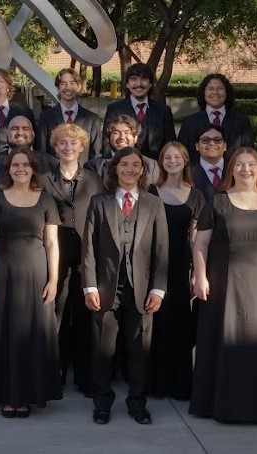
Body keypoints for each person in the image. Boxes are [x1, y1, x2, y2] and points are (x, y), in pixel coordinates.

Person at [189, 148, 257, 424]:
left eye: (251, 165)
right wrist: (200, 276)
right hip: (224, 288)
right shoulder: (218, 201)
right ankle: (222, 405)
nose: (245, 169)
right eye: (239, 165)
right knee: (224, 343)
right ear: (231, 170)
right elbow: (201, 243)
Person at [81, 147, 169, 425]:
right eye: (124, 164)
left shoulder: (154, 204)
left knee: (138, 352)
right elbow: (89, 248)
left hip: (142, 290)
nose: (130, 169)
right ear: (115, 169)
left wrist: (158, 289)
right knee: (102, 351)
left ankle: (137, 404)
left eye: (136, 165)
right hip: (106, 289)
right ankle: (102, 403)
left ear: (142, 171)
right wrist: (89, 287)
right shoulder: (99, 202)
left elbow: (161, 249)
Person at [0, 148, 62, 418]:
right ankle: (7, 396)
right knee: (4, 333)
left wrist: (54, 279)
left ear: (33, 169)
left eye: (25, 164)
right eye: (15, 165)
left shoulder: (46, 199)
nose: (20, 169)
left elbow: (51, 243)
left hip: (36, 275)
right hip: (2, 273)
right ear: (8, 169)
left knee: (32, 334)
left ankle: (26, 396)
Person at [41, 124, 105, 396]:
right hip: (54, 250)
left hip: (86, 250)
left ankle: (84, 375)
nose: (68, 147)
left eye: (73, 143)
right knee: (55, 311)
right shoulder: (43, 179)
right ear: (55, 148)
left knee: (84, 313)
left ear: (82, 147)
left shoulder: (94, 179)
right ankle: (53, 372)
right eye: (62, 143)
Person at [147, 142, 206, 401]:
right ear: (161, 162)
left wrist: (197, 272)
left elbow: (197, 238)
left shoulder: (196, 195)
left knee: (180, 325)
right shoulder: (150, 191)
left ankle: (180, 383)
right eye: (167, 157)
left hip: (182, 266)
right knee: (156, 323)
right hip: (153, 264)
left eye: (177, 157)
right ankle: (156, 383)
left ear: (185, 161)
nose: (172, 161)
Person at [104, 63, 174, 160]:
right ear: (127, 84)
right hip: (122, 166)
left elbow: (170, 144)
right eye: (133, 79)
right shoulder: (114, 109)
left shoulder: (163, 111)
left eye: (144, 79)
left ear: (150, 84)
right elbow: (107, 142)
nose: (138, 84)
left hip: (155, 168)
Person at [176, 74, 253, 162]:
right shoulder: (189, 122)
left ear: (227, 92)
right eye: (210, 89)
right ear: (203, 92)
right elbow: (182, 155)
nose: (215, 92)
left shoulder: (241, 121)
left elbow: (248, 154)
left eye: (220, 88)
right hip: (197, 174)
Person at [38, 68, 104, 160]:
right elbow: (41, 153)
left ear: (79, 87)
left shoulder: (92, 120)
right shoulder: (46, 117)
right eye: (63, 84)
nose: (68, 87)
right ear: (58, 88)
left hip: (84, 172)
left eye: (72, 83)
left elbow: (95, 155)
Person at [84, 115, 160, 186]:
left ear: (135, 137)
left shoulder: (151, 165)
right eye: (116, 133)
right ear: (108, 137)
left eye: (127, 133)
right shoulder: (94, 166)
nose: (122, 137)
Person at [189, 124, 228, 200]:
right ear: (197, 146)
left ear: (225, 146)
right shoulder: (186, 173)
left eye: (217, 140)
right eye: (205, 140)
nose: (211, 143)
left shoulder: (234, 170)